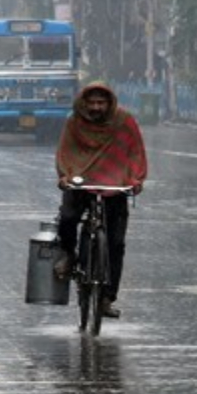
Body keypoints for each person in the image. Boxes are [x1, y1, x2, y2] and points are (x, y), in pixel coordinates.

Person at [53, 82, 148, 319]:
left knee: (116, 244)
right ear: (84, 104)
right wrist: (65, 176)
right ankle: (69, 255)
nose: (96, 107)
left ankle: (106, 298)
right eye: (92, 103)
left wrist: (135, 178)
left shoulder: (124, 121)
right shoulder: (74, 122)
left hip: (114, 185)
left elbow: (135, 151)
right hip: (81, 182)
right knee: (68, 217)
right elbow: (65, 152)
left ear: (109, 103)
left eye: (101, 103)